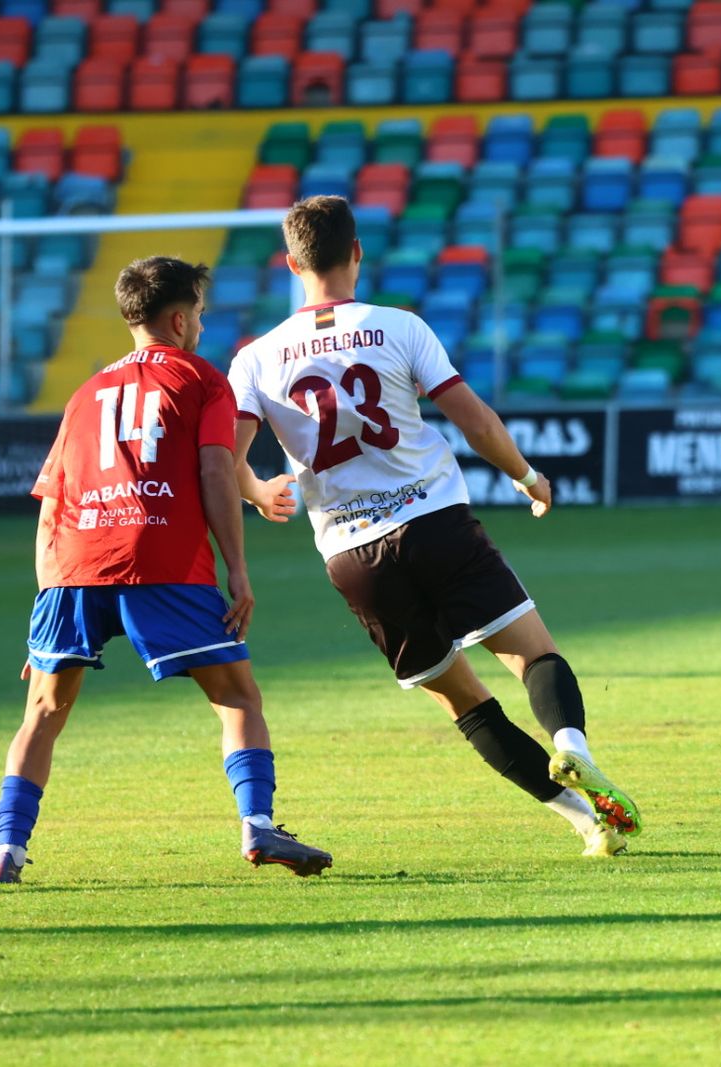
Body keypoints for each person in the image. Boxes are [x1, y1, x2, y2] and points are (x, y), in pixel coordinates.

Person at [229, 196, 640, 858]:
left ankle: (583, 821)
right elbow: (474, 420)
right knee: (533, 655)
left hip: (352, 552)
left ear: (291, 264)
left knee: (463, 700)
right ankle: (571, 744)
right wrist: (527, 477)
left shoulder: (257, 357)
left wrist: (256, 492)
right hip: (435, 521)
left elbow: (228, 456)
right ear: (357, 252)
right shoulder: (400, 326)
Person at [0, 256, 331, 884]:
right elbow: (214, 470)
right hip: (159, 558)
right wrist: (238, 570)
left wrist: (45, 607)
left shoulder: (84, 395)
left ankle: (6, 851)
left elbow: (51, 506)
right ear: (177, 316)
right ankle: (257, 824)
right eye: (198, 311)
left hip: (72, 568)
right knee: (237, 696)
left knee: (44, 711)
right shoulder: (201, 379)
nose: (201, 323)